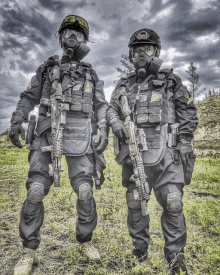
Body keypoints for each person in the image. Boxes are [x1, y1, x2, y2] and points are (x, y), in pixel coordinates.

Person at [9, 15, 108, 275]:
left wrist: (105, 130)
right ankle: (29, 251)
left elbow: (101, 106)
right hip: (47, 132)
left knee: (85, 189)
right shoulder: (47, 67)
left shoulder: (91, 73)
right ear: (60, 37)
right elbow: (28, 97)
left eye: (78, 34)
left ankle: (85, 241)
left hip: (81, 136)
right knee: (36, 190)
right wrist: (17, 120)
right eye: (68, 33)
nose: (72, 38)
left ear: (86, 41)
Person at [107, 28, 198, 275]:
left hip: (168, 156)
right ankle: (140, 250)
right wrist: (115, 124)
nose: (141, 54)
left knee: (173, 202)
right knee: (135, 203)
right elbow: (111, 109)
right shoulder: (124, 85)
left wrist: (186, 141)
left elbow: (188, 113)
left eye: (146, 49)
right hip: (135, 155)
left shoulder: (172, 81)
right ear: (130, 54)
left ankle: (176, 259)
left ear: (156, 52)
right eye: (136, 50)